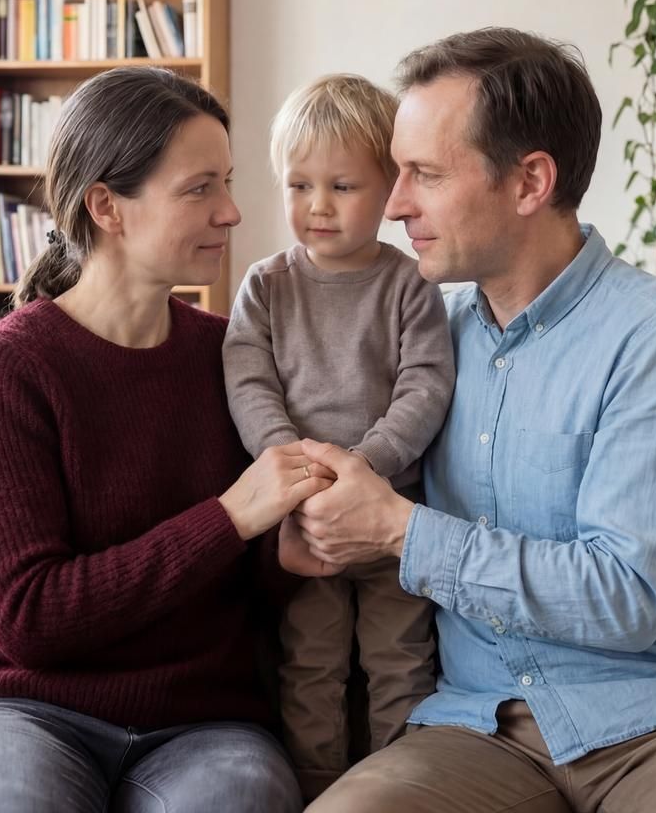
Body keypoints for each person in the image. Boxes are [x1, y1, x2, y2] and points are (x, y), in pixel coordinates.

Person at [294, 28, 656, 813]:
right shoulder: (424, 338)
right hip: (476, 733)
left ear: (530, 182)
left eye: (425, 175)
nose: (395, 203)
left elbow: (625, 595)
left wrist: (403, 534)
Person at [0, 67, 331, 813]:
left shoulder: (231, 353)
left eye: (228, 182)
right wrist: (230, 517)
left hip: (205, 723)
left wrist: (303, 538)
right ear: (107, 205)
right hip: (24, 709)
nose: (233, 211)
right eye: (200, 187)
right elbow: (32, 620)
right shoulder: (6, 365)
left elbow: (258, 581)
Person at [223, 74, 455, 800]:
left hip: (392, 517)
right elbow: (249, 382)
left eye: (343, 187)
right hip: (302, 520)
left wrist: (365, 467)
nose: (317, 206)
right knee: (311, 662)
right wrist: (295, 473)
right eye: (299, 185)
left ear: (389, 187)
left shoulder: (412, 284)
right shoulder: (265, 286)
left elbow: (426, 387)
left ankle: (397, 783)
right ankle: (317, 785)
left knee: (400, 660)